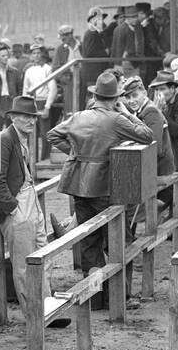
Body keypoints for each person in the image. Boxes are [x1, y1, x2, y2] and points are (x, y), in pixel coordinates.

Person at [46, 71, 153, 309]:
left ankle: (94, 297)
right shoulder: (116, 119)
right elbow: (147, 135)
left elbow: (52, 135)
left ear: (96, 96)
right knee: (118, 240)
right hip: (105, 187)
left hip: (78, 186)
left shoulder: (79, 116)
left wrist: (76, 155)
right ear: (115, 98)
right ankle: (120, 297)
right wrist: (126, 112)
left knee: (89, 243)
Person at [0, 96, 65, 324]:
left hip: (30, 199)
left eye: (33, 117)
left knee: (43, 256)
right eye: (25, 116)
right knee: (25, 265)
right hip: (17, 205)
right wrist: (13, 209)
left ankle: (47, 310)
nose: (30, 121)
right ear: (13, 117)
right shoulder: (3, 140)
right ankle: (35, 317)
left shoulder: (21, 138)